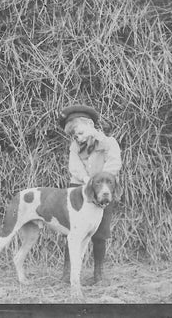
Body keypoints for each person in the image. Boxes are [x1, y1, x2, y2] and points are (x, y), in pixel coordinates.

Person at [58, 104, 122, 285]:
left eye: (79, 132)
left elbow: (114, 164)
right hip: (80, 188)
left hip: (103, 189)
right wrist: (87, 180)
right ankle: (68, 273)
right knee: (73, 231)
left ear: (89, 125)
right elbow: (74, 168)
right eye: (74, 135)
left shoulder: (109, 143)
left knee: (100, 232)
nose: (77, 138)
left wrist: (100, 182)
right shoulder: (75, 147)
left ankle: (98, 274)